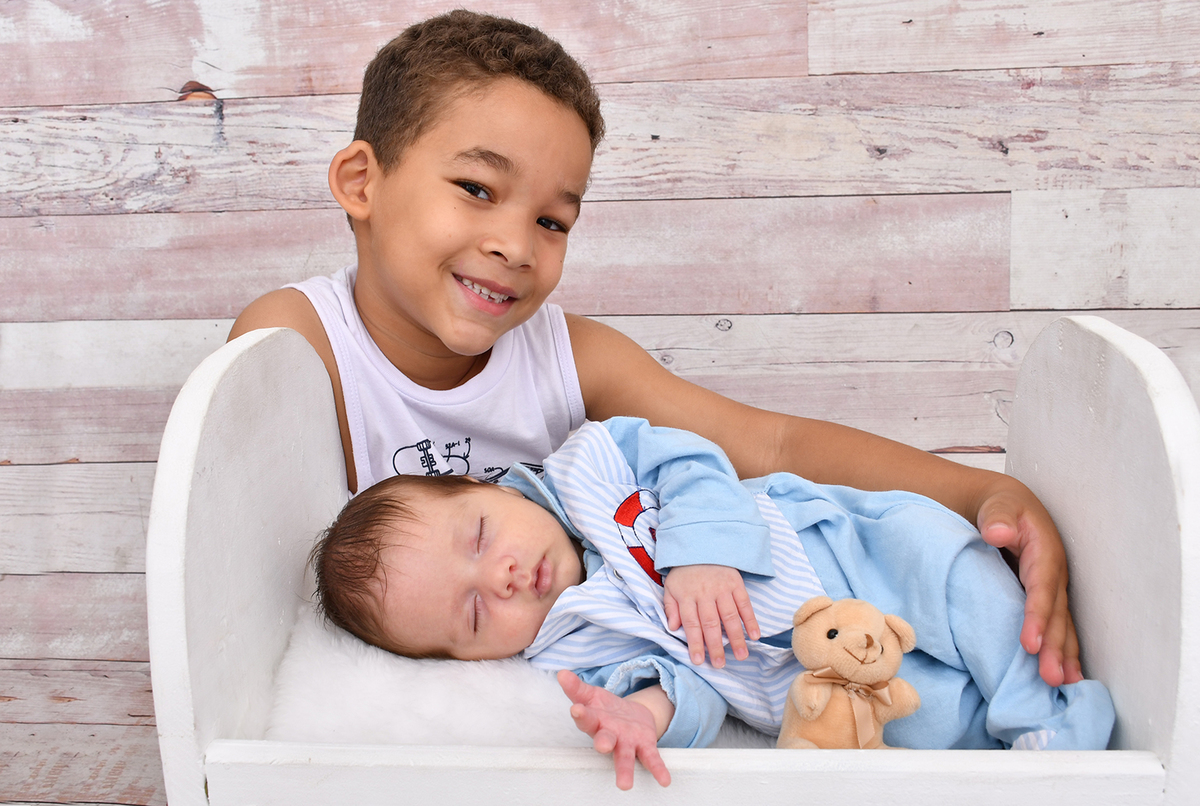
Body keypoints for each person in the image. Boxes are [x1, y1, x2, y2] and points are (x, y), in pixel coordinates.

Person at [228, 9, 1081, 687]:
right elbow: (263, 581)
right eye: (478, 188)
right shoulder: (298, 343)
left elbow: (770, 444)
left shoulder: (572, 358)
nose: (516, 245)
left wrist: (980, 490)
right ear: (362, 182)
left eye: (552, 220)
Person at [310, 417, 1114, 790]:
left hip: (846, 552)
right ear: (467, 660)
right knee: (928, 728)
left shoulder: (592, 464)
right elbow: (682, 684)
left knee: (958, 581)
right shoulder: (566, 649)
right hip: (807, 677)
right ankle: (1020, 764)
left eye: (481, 537)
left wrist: (698, 552)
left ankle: (1052, 722)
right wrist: (644, 716)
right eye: (474, 615)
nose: (505, 578)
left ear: (481, 485)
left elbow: (693, 460)